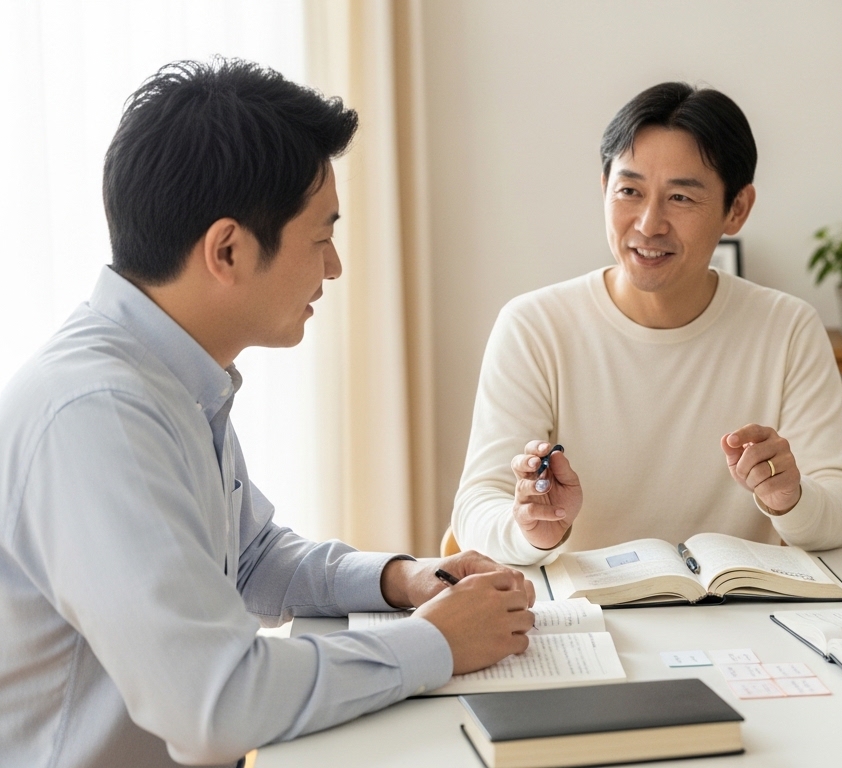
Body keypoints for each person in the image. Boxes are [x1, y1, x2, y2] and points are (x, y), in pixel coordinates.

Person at [0, 59, 535, 768]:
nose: (335, 268)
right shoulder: (100, 416)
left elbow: (246, 558)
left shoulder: (169, 372)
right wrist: (436, 642)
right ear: (227, 249)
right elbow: (217, 707)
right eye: (321, 238)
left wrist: (398, 580)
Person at [453, 82, 842, 565]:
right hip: (589, 619)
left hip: (744, 618)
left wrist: (791, 499)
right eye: (629, 190)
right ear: (603, 188)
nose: (649, 224)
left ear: (737, 209)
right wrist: (531, 529)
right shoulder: (535, 327)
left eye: (681, 198)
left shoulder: (787, 328)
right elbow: (476, 508)